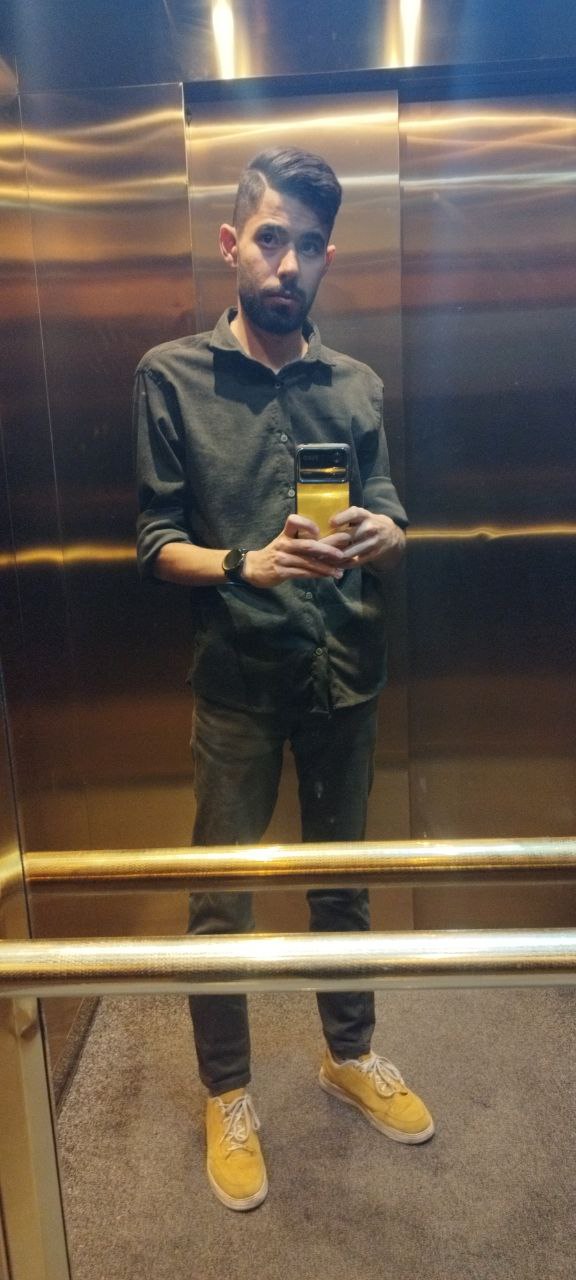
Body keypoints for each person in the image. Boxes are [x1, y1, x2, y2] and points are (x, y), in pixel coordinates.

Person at [134, 146, 434, 1212]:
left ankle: (348, 1053)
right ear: (232, 243)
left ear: (326, 257)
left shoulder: (356, 384)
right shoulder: (170, 376)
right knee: (222, 899)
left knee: (343, 883)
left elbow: (390, 510)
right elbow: (155, 542)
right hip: (238, 682)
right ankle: (228, 1091)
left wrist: (384, 534)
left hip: (345, 671)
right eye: (271, 238)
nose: (288, 263)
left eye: (308, 244)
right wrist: (244, 563)